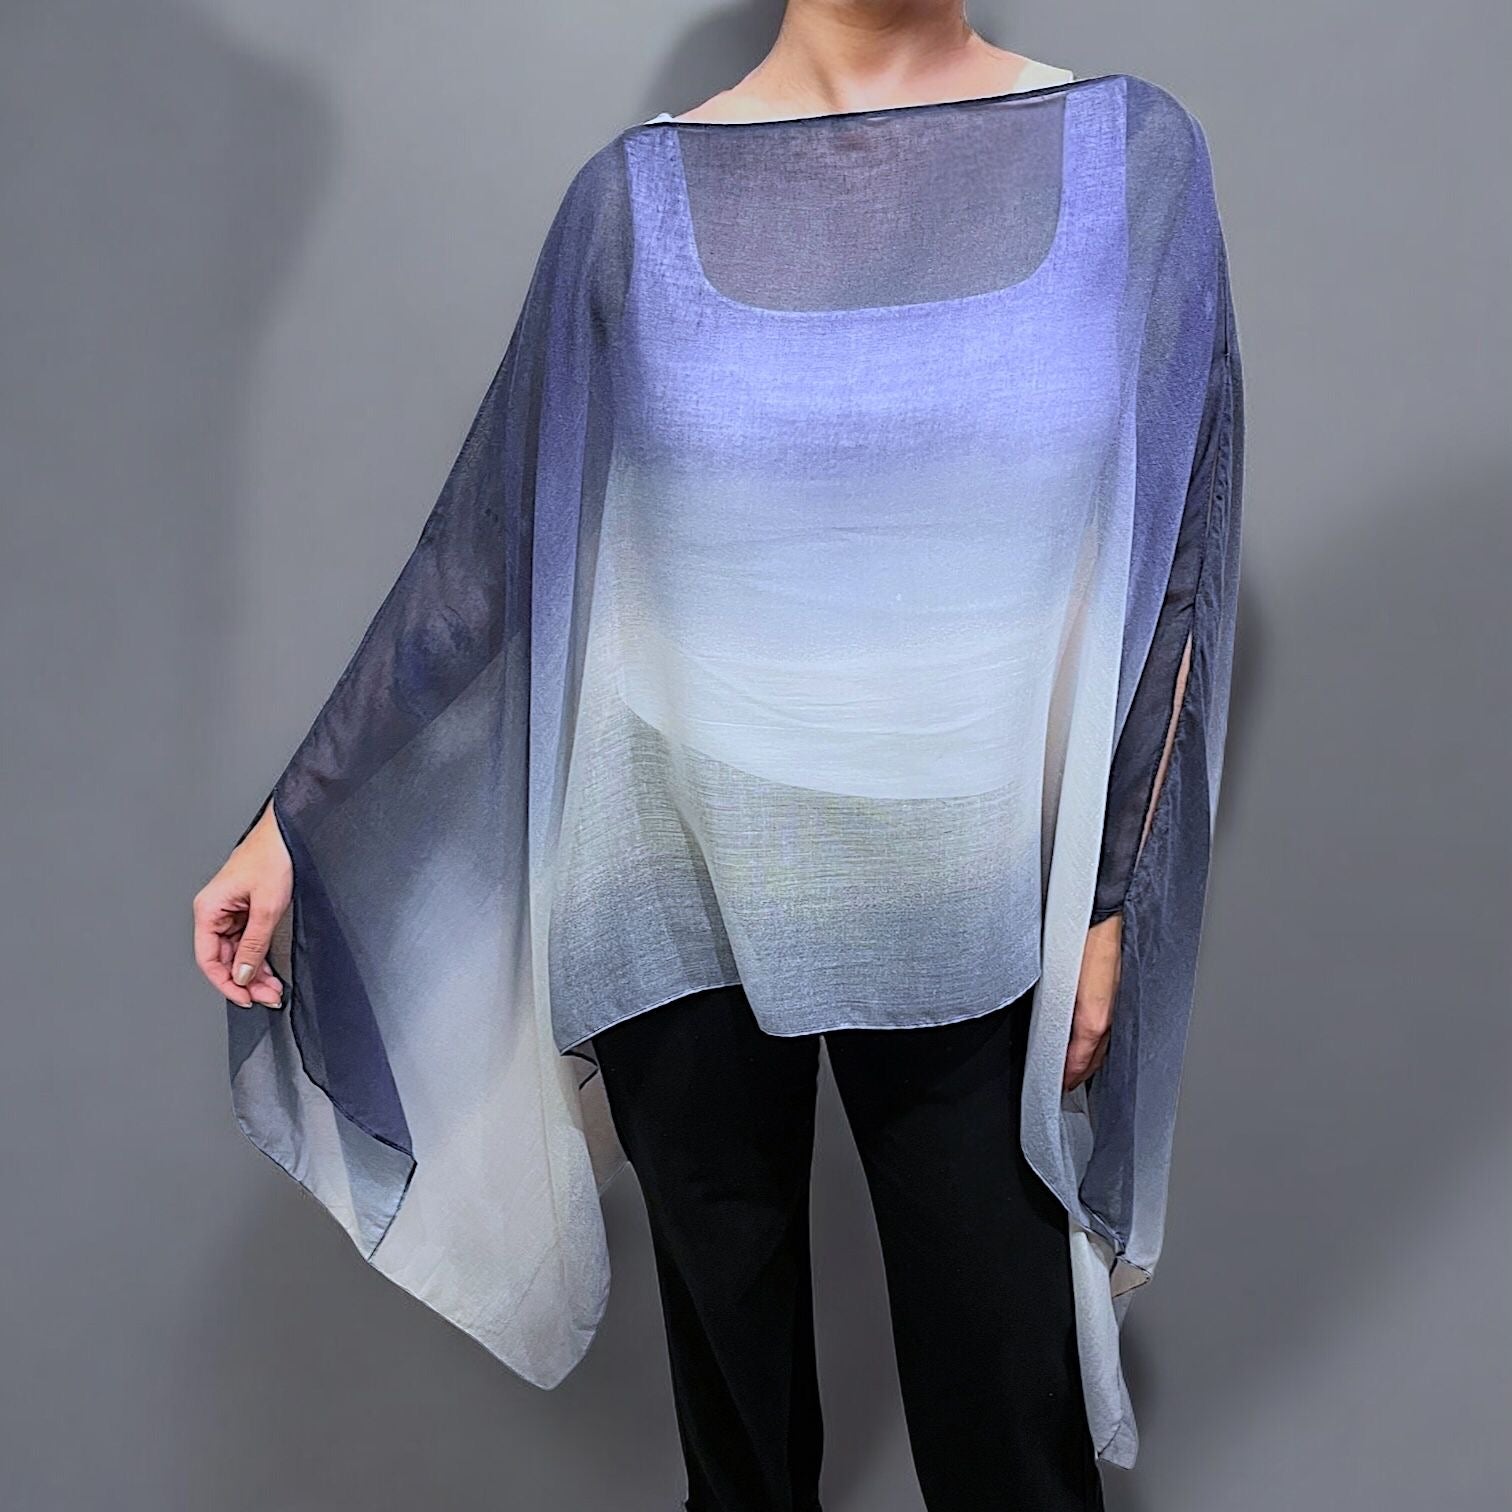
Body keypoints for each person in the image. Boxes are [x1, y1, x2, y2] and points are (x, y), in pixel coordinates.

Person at [194, 4, 1244, 1508]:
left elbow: (1180, 555)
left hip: (968, 886)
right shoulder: (632, 202)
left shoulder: (1131, 158)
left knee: (1008, 1430)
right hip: (671, 855)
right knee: (739, 1452)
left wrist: (1111, 900)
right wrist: (294, 819)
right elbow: (488, 545)